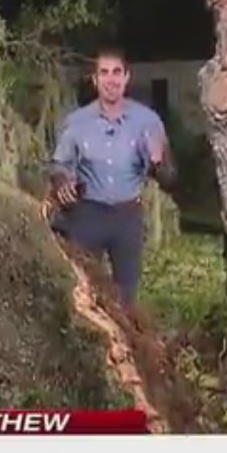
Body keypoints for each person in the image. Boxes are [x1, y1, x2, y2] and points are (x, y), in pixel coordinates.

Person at [46, 47, 176, 306]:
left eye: (117, 72)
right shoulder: (77, 122)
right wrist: (62, 183)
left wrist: (157, 163)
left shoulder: (148, 122)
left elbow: (169, 178)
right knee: (81, 292)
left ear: (126, 77)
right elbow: (58, 166)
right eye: (104, 73)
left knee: (125, 298)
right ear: (95, 80)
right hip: (87, 215)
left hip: (127, 219)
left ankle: (124, 331)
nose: (111, 79)